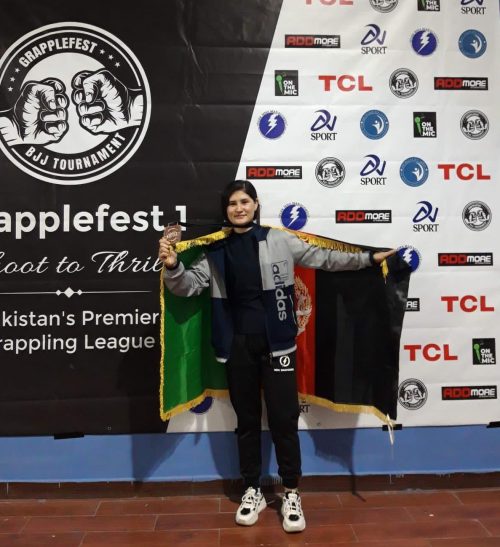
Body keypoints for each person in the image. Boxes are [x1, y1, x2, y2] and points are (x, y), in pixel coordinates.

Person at [158, 180, 394, 533]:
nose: (238, 208)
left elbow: (326, 258)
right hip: (237, 348)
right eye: (232, 203)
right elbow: (187, 286)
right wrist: (173, 264)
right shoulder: (216, 251)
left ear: (255, 204)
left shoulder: (280, 240)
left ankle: (291, 492)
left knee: (284, 421)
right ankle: (251, 489)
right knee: (248, 422)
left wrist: (368, 259)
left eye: (244, 201)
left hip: (278, 346)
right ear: (226, 210)